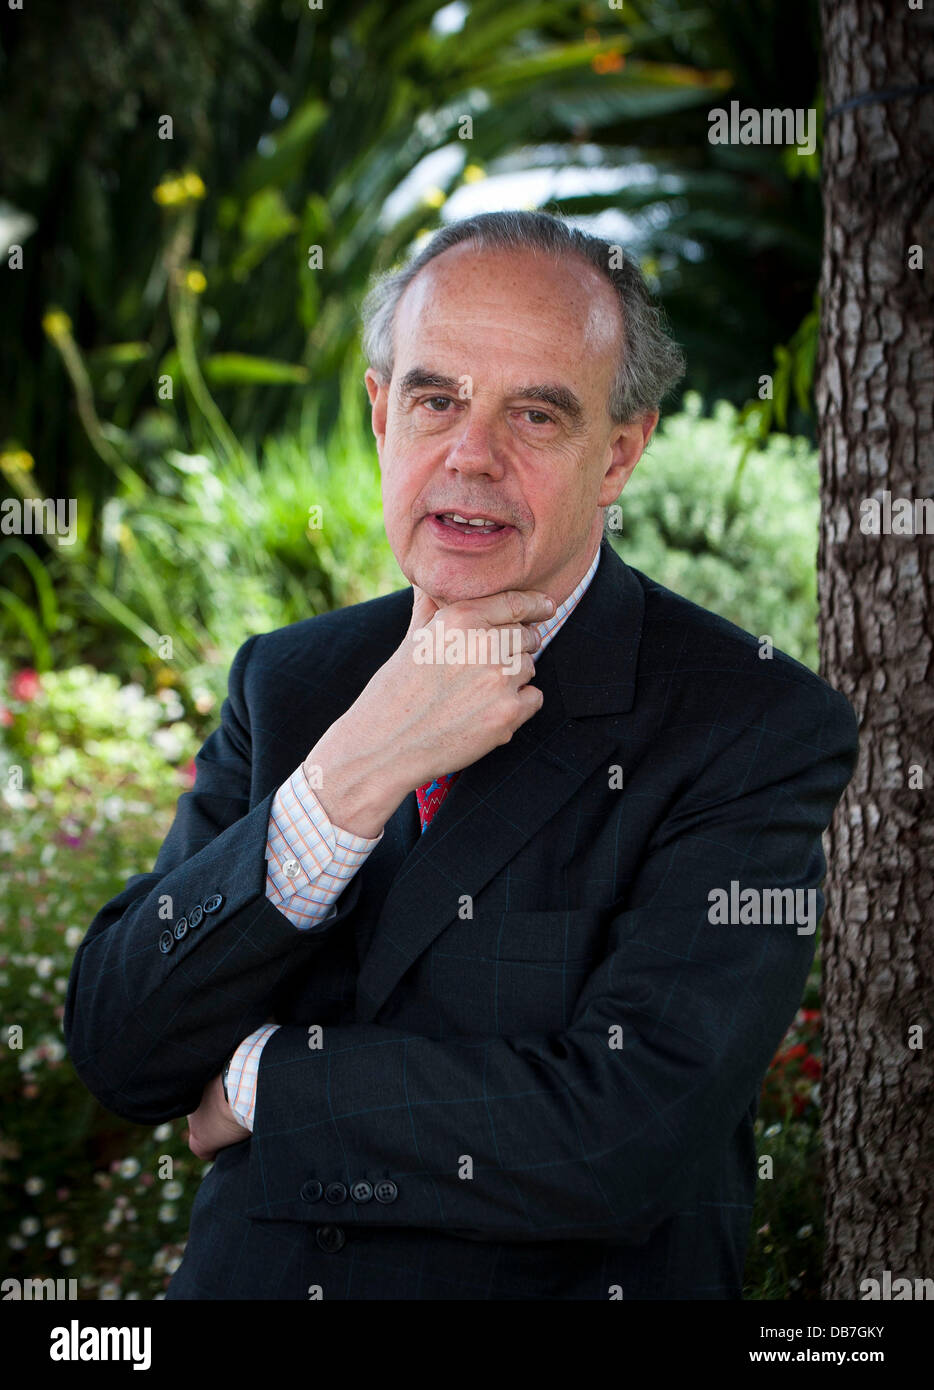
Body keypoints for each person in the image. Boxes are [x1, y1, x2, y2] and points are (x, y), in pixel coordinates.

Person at [64, 209, 859, 1300]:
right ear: (383, 412)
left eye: (535, 414)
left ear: (620, 451)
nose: (470, 456)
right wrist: (349, 779)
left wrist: (264, 1080)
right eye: (436, 399)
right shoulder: (289, 680)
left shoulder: (749, 722)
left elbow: (622, 1134)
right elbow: (121, 1041)